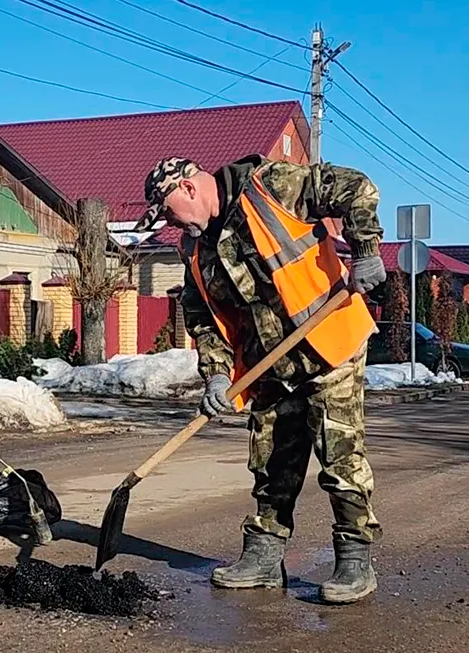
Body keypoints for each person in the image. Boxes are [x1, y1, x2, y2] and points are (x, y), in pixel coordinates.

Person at [132, 155, 388, 604]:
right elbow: (204, 319)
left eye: (169, 210)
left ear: (190, 188)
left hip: (330, 343)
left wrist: (366, 251)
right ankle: (265, 556)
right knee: (270, 459)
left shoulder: (273, 185)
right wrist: (215, 376)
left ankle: (354, 559)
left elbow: (357, 188)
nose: (170, 222)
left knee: (339, 455)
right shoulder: (194, 250)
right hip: (268, 362)